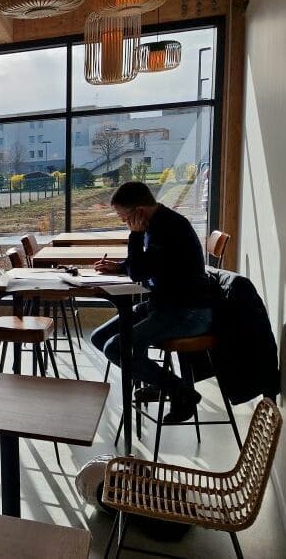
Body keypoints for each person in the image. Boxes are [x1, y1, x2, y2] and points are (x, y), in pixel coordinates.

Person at [91, 180, 213, 423]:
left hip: (187, 311)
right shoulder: (156, 223)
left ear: (139, 211)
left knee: (115, 347)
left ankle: (181, 392)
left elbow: (140, 273)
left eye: (123, 216)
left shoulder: (169, 229)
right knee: (99, 338)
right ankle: (159, 382)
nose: (123, 221)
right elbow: (147, 266)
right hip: (164, 305)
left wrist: (134, 238)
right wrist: (120, 267)